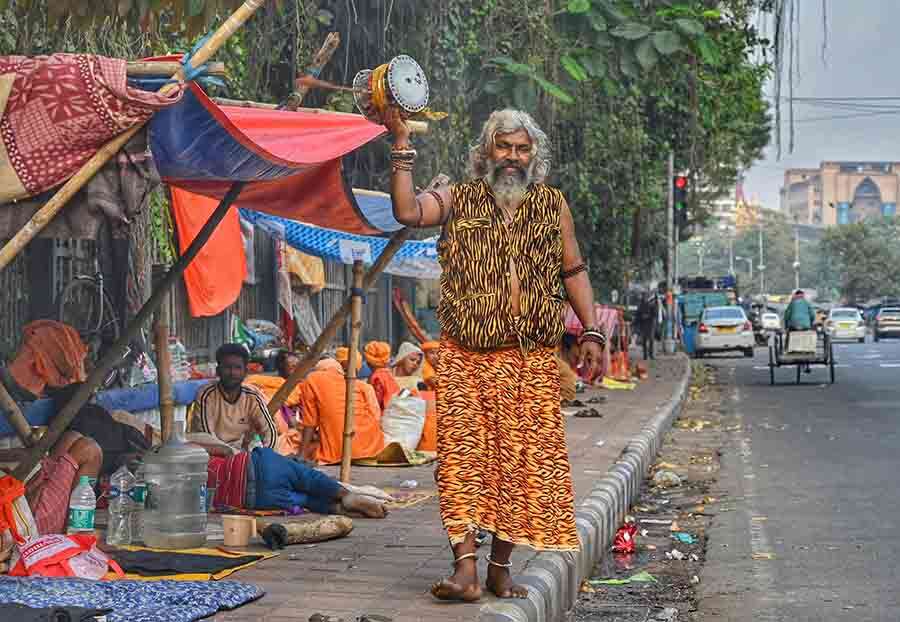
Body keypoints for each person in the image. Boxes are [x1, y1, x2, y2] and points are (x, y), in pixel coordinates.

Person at [386, 107, 603, 601]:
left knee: (522, 464)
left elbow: (573, 270)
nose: (512, 157)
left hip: (529, 361)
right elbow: (407, 212)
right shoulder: (457, 199)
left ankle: (499, 568)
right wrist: (401, 147)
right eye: (503, 147)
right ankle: (465, 570)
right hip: (466, 357)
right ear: (486, 152)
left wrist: (591, 330)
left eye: (522, 148)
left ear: (534, 155)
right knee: (462, 459)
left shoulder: (552, 204)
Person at [201, 445, 388, 519]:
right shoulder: (189, 452)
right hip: (256, 465)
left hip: (252, 500)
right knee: (309, 478)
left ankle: (338, 509)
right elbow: (224, 451)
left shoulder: (179, 498)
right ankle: (346, 496)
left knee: (308, 502)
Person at [190, 343, 277, 452]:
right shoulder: (206, 395)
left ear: (245, 372)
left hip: (240, 454)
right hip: (211, 454)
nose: (232, 373)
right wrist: (232, 455)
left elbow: (270, 431)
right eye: (227, 367)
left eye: (237, 368)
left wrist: (268, 456)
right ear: (218, 371)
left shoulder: (253, 396)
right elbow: (208, 438)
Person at [299, 353, 384, 464]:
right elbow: (375, 416)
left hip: (341, 453)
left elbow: (310, 423)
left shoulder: (312, 379)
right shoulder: (355, 383)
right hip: (374, 448)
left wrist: (301, 455)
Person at [25, 429, 102, 535]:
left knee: (71, 438)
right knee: (91, 451)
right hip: (27, 527)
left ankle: (76, 524)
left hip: (19, 509)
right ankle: (78, 531)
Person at [246, 350, 304, 456]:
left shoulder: (301, 384)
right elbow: (248, 381)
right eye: (292, 366)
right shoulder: (273, 383)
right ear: (282, 366)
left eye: (298, 366)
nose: (296, 369)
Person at [364, 341, 400, 412]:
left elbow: (376, 401)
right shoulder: (389, 373)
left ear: (369, 362)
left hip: (385, 414)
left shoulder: (376, 377)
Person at [636, 293, 658, 360]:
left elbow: (654, 314)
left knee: (650, 339)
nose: (645, 298)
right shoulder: (641, 305)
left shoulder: (652, 304)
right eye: (644, 297)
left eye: (645, 297)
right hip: (644, 324)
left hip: (650, 323)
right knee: (645, 340)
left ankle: (650, 355)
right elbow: (638, 315)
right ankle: (645, 355)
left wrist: (647, 316)